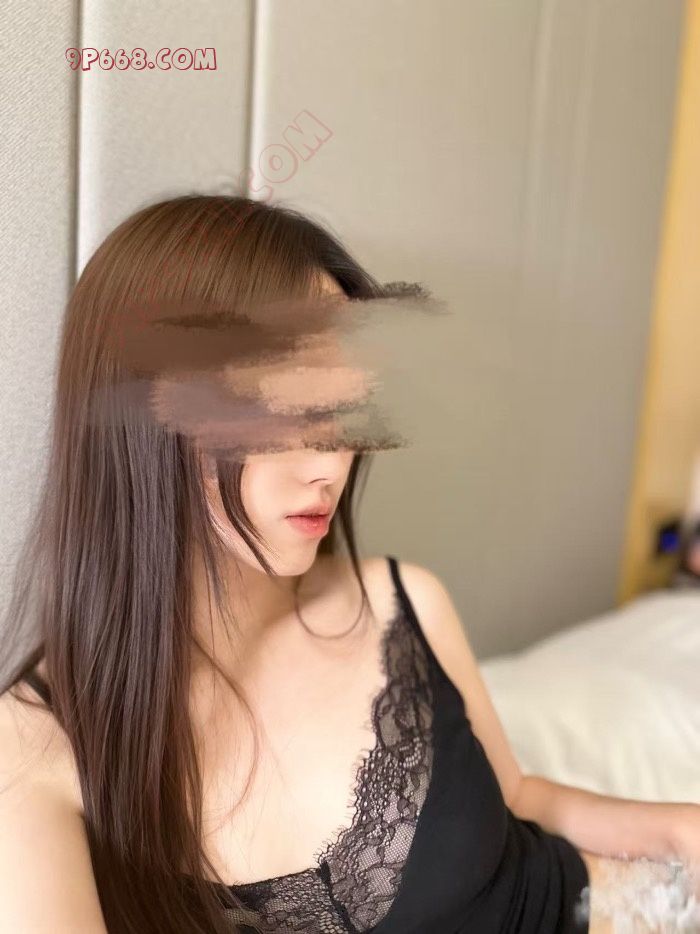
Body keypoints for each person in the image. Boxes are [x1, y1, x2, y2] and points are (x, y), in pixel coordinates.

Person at [0, 195, 697, 934]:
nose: (331, 463)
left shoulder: (403, 602)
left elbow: (518, 797)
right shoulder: (33, 751)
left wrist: (679, 828)